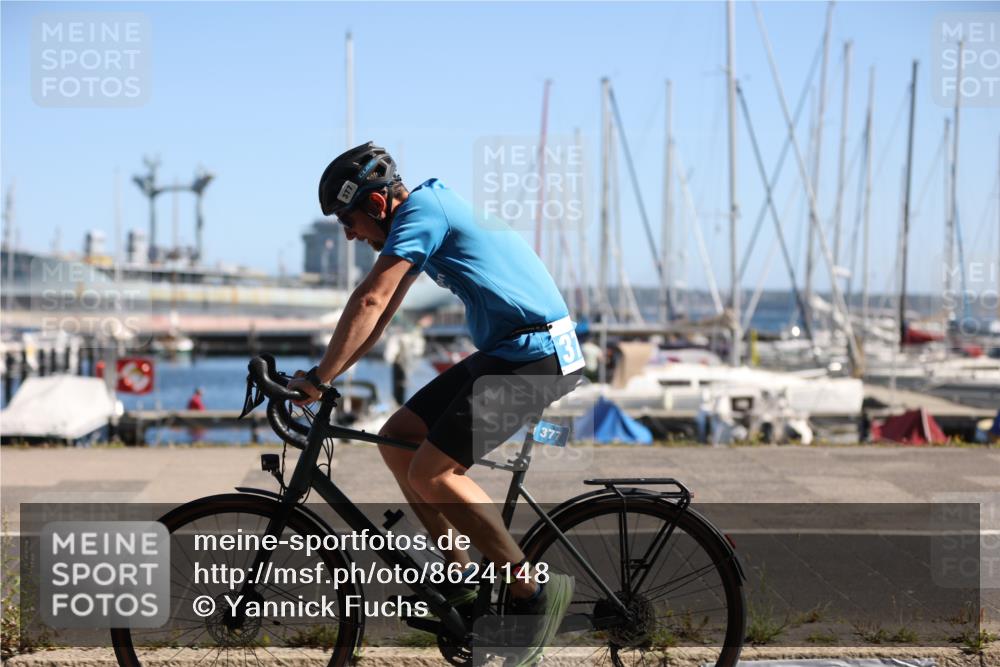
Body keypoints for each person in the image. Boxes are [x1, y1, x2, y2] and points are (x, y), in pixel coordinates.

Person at [288, 142, 582, 665]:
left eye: (349, 220)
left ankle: (531, 592)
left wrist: (317, 377)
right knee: (399, 436)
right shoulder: (424, 214)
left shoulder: (423, 212)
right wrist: (327, 377)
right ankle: (462, 579)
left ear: (377, 205)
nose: (350, 234)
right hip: (508, 351)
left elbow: (371, 298)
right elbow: (380, 317)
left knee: (433, 472)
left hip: (537, 355)